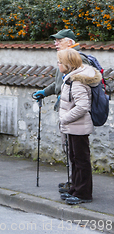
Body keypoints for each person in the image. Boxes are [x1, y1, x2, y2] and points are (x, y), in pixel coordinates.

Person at [32, 29, 91, 191]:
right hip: (66, 110)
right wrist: (45, 92)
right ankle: (74, 182)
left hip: (73, 113)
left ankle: (79, 186)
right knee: (70, 150)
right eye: (55, 40)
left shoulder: (78, 58)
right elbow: (60, 84)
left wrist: (67, 96)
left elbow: (82, 87)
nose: (55, 43)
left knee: (77, 153)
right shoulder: (65, 58)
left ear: (70, 43)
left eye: (59, 40)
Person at [57, 48, 100, 205]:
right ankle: (75, 188)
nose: (58, 64)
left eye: (60, 62)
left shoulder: (76, 82)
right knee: (75, 159)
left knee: (81, 160)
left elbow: (82, 106)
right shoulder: (71, 78)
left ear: (68, 65)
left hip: (78, 127)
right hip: (73, 126)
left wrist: (64, 119)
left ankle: (83, 194)